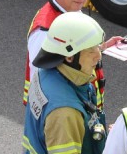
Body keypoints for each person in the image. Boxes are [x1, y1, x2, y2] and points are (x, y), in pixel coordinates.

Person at [23, 0, 119, 108]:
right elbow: (42, 76)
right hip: (64, 107)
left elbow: (72, 51)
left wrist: (102, 47)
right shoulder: (46, 29)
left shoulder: (71, 12)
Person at [23, 12, 109, 154]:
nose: (98, 56)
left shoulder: (45, 74)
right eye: (90, 50)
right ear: (69, 57)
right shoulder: (65, 113)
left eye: (97, 47)